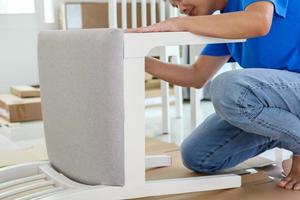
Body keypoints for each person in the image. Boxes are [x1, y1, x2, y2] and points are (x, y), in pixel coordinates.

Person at [127, 0, 300, 190]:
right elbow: (196, 75)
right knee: (198, 155)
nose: (182, 9)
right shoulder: (226, 21)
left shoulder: (249, 13)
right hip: (281, 101)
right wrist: (138, 59)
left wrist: (178, 23)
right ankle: (287, 131)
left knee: (230, 88)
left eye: (180, 0)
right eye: (175, 6)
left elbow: (259, 22)